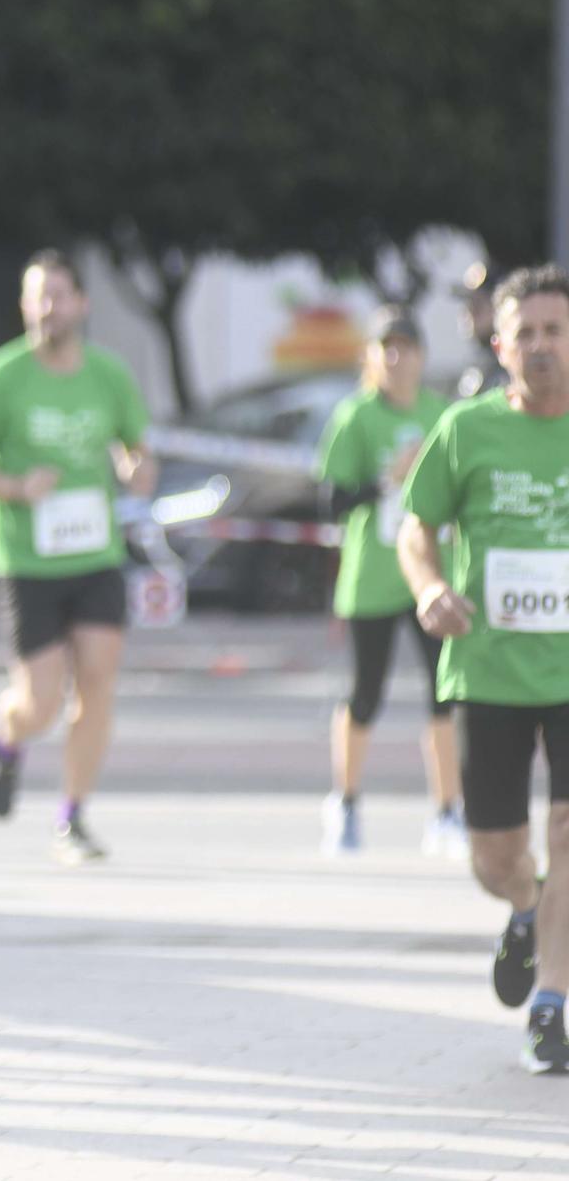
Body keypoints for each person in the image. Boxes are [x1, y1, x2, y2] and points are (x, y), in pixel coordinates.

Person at [399, 264, 569, 1075]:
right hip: (489, 668)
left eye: (554, 330)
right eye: (525, 333)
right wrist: (430, 586)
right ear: (500, 345)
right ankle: (528, 907)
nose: (540, 346)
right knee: (494, 858)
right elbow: (414, 528)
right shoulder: (466, 429)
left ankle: (553, 1004)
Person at [0, 249, 156, 863]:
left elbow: (137, 452)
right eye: (37, 296)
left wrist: (136, 469)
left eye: (58, 295)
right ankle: (7, 739)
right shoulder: (1, 376)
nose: (47, 308)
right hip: (26, 560)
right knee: (39, 702)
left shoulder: (109, 375)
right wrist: (14, 487)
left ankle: (73, 817)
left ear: (82, 304)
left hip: (95, 554)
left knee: (98, 684)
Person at [313, 305, 460, 857]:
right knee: (365, 695)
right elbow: (331, 500)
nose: (396, 358)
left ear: (422, 356)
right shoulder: (355, 416)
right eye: (385, 348)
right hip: (371, 579)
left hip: (430, 576)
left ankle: (448, 809)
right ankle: (345, 802)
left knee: (445, 693)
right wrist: (387, 480)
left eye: (406, 347)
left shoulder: (441, 414)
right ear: (370, 358)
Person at [454, 262, 511, 400]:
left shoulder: (512, 366)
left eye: (478, 304)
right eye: (468, 304)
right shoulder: (479, 364)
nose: (469, 312)